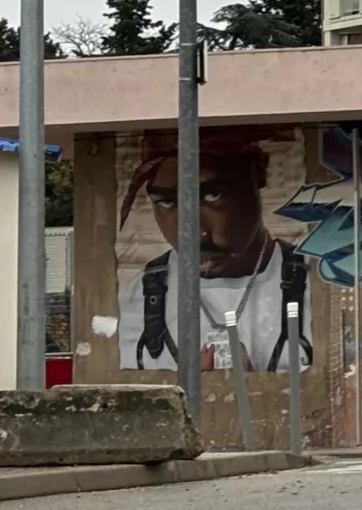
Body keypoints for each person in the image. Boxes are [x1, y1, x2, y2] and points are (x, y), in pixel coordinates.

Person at [117, 131, 294, 374]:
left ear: (258, 173)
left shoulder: (315, 288)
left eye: (212, 195)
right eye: (168, 202)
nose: (192, 232)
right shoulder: (136, 300)